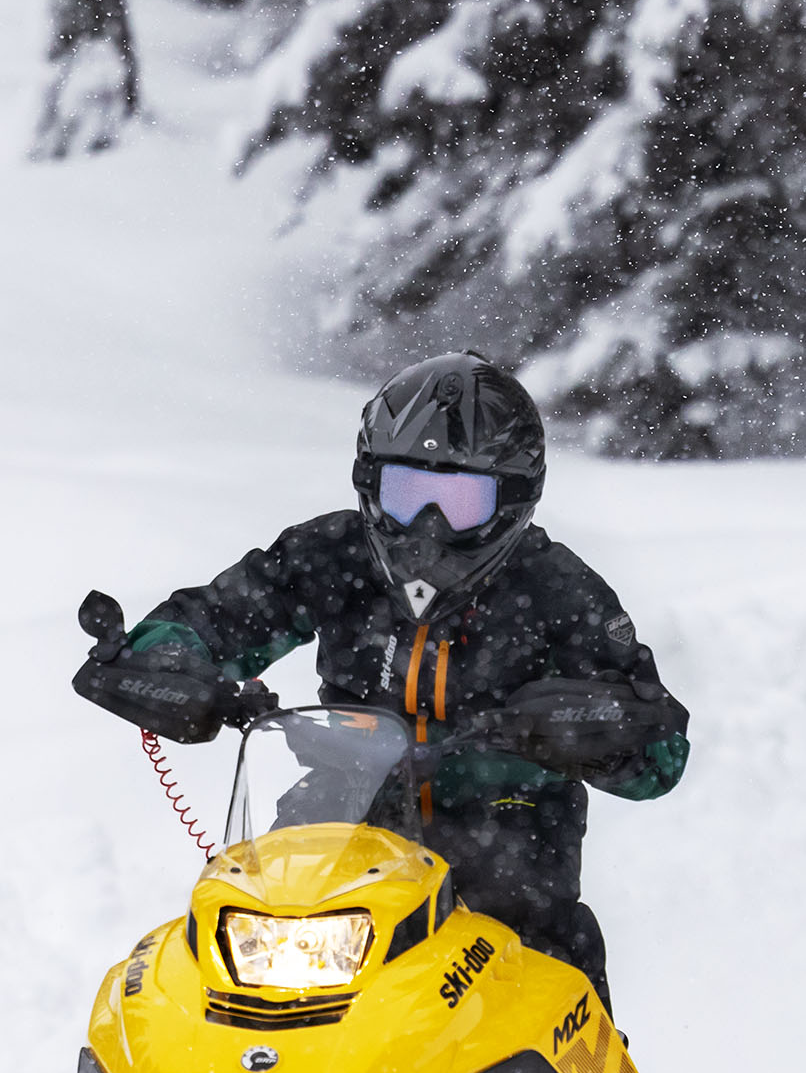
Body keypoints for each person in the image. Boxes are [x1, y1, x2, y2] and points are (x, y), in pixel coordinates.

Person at [73, 352, 688, 1006]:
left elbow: (660, 747)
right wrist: (171, 662)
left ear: (511, 502)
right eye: (406, 493)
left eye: (457, 500)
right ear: (370, 484)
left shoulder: (558, 591)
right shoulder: (333, 555)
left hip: (509, 825)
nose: (426, 527)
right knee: (242, 948)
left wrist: (595, 729)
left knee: (543, 976)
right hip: (345, 809)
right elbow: (217, 615)